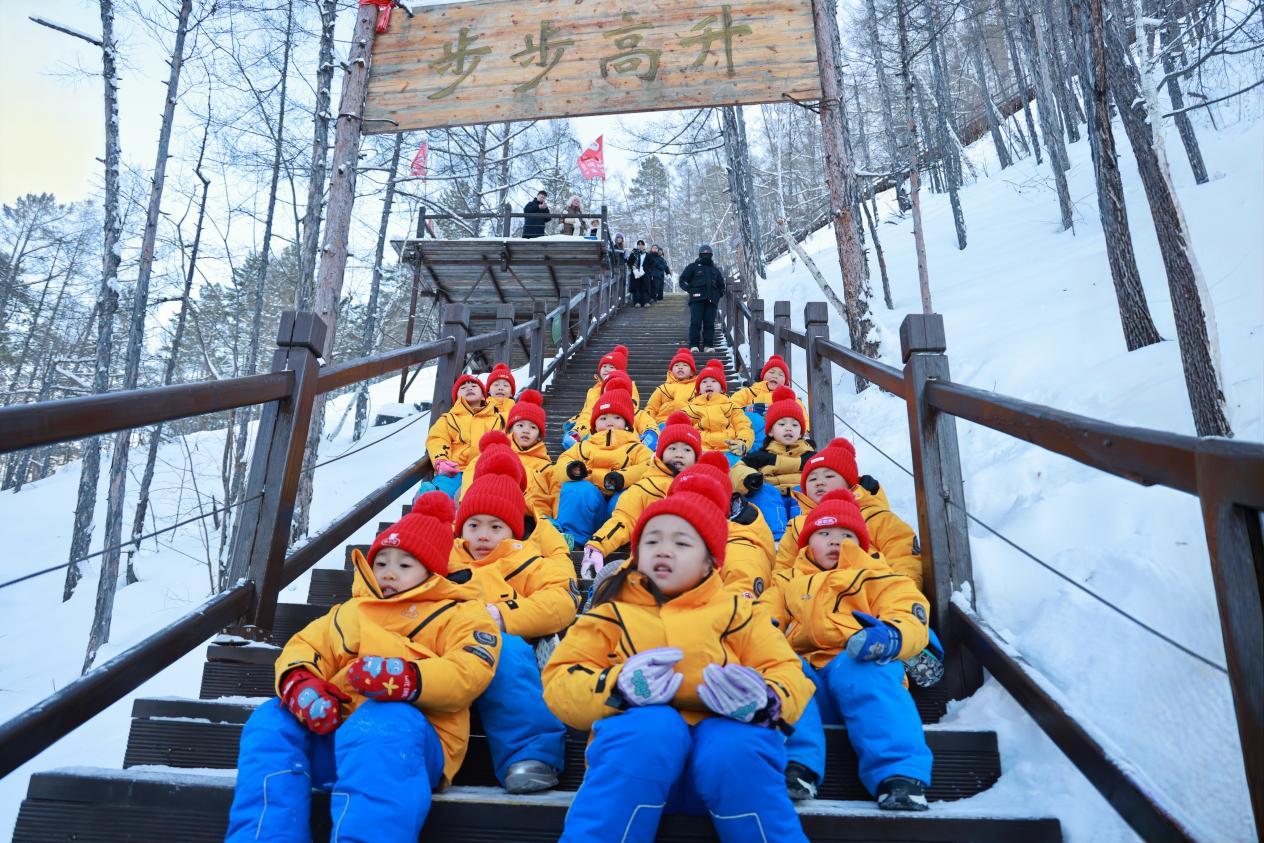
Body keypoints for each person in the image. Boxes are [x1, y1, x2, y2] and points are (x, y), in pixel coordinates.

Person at [541, 468, 815, 843]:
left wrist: (765, 701)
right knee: (650, 728)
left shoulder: (739, 612)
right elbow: (561, 678)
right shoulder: (613, 611)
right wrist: (616, 686)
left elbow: (787, 670)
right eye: (652, 541)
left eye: (682, 543)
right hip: (636, 772)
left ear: (709, 562)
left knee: (737, 742)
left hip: (725, 769)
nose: (664, 550)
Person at [225, 493, 500, 842]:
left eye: (405, 565)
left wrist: (407, 678)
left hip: (410, 747)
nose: (388, 573)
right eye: (381, 563)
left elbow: (469, 671)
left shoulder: (463, 613)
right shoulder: (351, 611)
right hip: (336, 736)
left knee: (384, 720)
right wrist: (301, 682)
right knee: (271, 718)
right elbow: (306, 647)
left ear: (432, 571)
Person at [761, 489, 934, 811]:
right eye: (824, 534)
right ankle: (797, 765)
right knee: (786, 669)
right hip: (812, 684)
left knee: (865, 669)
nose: (835, 541)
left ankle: (899, 775)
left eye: (846, 535)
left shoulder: (879, 576)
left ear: (862, 543)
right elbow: (763, 616)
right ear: (806, 542)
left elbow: (909, 611)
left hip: (860, 665)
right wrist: (763, 635)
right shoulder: (787, 581)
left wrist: (891, 635)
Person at [449, 458, 575, 794]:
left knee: (508, 652)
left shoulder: (527, 560)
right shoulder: (443, 558)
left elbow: (561, 600)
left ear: (513, 529)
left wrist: (505, 615)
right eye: (473, 525)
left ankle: (530, 755)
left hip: (502, 648)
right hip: (447, 649)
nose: (483, 535)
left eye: (496, 527)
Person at [775, 437, 922, 587]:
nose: (819, 482)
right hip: (812, 597)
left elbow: (902, 555)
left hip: (867, 594)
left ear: (849, 482)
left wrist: (903, 592)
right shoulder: (797, 525)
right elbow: (783, 568)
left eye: (829, 476)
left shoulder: (874, 516)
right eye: (812, 479)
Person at [580, 411, 702, 577]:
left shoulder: (704, 488)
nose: (679, 454)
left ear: (696, 457)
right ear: (660, 453)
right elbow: (623, 521)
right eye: (672, 448)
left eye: (687, 450)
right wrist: (597, 547)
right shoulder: (643, 487)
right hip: (651, 562)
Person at [553, 387, 655, 547]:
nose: (610, 421)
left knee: (630, 495)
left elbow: (650, 465)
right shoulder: (583, 446)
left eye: (617, 417)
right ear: (594, 424)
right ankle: (573, 539)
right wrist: (572, 469)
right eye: (603, 418)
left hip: (617, 511)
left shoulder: (635, 447)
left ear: (627, 424)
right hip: (591, 510)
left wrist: (624, 477)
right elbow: (562, 462)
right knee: (577, 489)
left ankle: (624, 541)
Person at [733, 386, 815, 532]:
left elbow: (830, 470)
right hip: (773, 498)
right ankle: (777, 535)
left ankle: (804, 532)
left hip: (799, 496)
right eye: (782, 424)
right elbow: (737, 468)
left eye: (795, 425)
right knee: (764, 493)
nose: (788, 428)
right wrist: (749, 477)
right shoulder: (761, 456)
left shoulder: (810, 456)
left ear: (801, 432)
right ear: (770, 431)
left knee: (807, 492)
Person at [424, 373, 505, 499]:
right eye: (463, 388)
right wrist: (441, 459)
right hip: (454, 471)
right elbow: (437, 439)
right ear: (456, 397)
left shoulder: (498, 419)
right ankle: (430, 496)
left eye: (474, 386)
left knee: (478, 498)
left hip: (484, 471)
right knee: (440, 495)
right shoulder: (448, 419)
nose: (469, 388)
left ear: (483, 395)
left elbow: (506, 442)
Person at [730, 355, 808, 450]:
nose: (775, 376)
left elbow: (803, 418)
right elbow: (730, 408)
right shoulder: (748, 392)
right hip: (752, 435)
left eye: (781, 375)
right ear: (763, 375)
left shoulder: (791, 398)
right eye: (771, 372)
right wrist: (747, 409)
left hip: (782, 438)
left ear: (785, 381)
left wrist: (804, 432)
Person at [678, 244, 725, 353]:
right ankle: (694, 345)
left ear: (711, 254)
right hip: (696, 300)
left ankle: (708, 345)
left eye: (708, 252)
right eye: (704, 252)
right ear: (700, 254)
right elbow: (682, 280)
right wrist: (689, 289)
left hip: (711, 301)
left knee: (709, 323)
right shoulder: (693, 267)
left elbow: (721, 286)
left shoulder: (715, 270)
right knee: (696, 322)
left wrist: (718, 295)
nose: (706, 254)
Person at [643, 348, 697, 424]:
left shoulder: (697, 388)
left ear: (692, 372)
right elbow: (651, 408)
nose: (680, 367)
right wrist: (650, 424)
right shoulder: (663, 388)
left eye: (685, 365)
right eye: (676, 365)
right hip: (664, 422)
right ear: (671, 370)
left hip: (688, 423)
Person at [627, 239, 650, 307]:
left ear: (644, 246)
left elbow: (651, 263)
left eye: (642, 245)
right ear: (637, 246)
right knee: (636, 287)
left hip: (644, 273)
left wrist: (647, 269)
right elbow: (629, 262)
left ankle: (645, 302)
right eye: (639, 245)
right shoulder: (633, 254)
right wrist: (632, 266)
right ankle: (637, 302)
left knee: (645, 287)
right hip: (636, 273)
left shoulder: (647, 254)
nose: (640, 246)